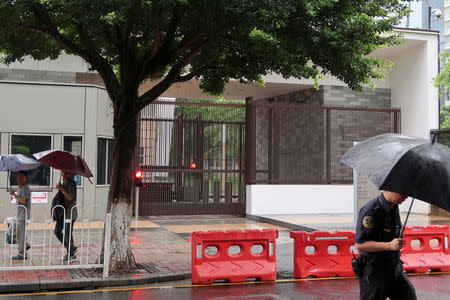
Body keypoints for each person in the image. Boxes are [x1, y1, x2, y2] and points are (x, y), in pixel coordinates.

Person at [355, 190, 417, 300]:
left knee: (409, 296)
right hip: (374, 270)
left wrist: (397, 241)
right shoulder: (371, 210)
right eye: (403, 193)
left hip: (394, 268)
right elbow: (360, 244)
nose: (406, 197)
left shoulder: (394, 208)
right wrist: (389, 245)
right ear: (390, 189)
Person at [53, 171, 77, 262]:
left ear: (71, 174)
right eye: (64, 172)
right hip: (63, 214)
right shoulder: (64, 183)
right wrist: (60, 188)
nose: (65, 174)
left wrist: (61, 189)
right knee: (57, 231)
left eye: (68, 173)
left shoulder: (71, 184)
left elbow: (70, 198)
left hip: (70, 213)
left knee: (67, 233)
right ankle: (71, 248)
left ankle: (71, 254)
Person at [8, 170, 31, 260]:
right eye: (18, 176)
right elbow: (19, 203)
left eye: (22, 177)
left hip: (23, 216)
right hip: (18, 215)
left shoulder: (25, 188)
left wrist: (13, 194)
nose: (19, 178)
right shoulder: (20, 188)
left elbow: (24, 201)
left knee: (19, 235)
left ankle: (22, 254)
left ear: (25, 178)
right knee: (11, 230)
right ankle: (25, 244)